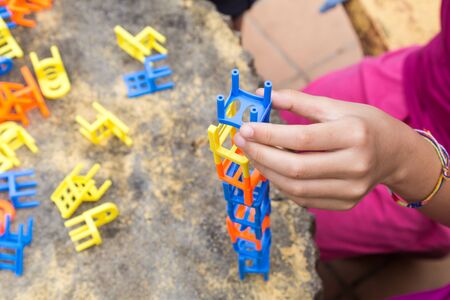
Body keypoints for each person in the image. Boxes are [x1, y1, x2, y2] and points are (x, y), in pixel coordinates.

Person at [232, 0, 450, 298]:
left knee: (285, 230)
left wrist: (404, 161)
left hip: (434, 189)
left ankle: (426, 240)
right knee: (284, 129)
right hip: (415, 76)